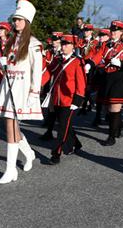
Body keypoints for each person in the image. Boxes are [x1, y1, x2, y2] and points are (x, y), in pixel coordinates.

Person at [0, 0, 43, 184]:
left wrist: (34, 92)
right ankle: (28, 154)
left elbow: (36, 70)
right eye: (14, 20)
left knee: (12, 125)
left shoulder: (33, 44)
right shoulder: (12, 41)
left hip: (22, 88)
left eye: (19, 20)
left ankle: (10, 169)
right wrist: (3, 62)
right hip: (8, 86)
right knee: (10, 126)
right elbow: (10, 63)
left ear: (27, 22)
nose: (15, 23)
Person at [45, 35, 86, 164]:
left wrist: (78, 100)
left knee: (62, 127)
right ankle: (77, 144)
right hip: (57, 98)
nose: (63, 46)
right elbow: (47, 72)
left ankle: (56, 153)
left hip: (69, 100)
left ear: (73, 47)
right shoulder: (57, 60)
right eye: (62, 44)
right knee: (66, 125)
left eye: (66, 44)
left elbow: (81, 82)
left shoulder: (77, 61)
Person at [98, 20, 123, 146]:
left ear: (121, 32)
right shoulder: (106, 44)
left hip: (120, 78)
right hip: (107, 76)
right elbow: (98, 56)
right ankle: (120, 125)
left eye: (116, 30)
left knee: (114, 107)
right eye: (112, 30)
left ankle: (111, 137)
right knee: (108, 109)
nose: (113, 32)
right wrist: (89, 63)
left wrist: (121, 64)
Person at [40, 32, 64, 141]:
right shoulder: (50, 52)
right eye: (53, 40)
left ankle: (64, 134)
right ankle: (49, 131)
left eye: (56, 40)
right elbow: (44, 66)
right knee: (51, 108)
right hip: (51, 82)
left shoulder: (64, 52)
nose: (53, 42)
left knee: (60, 111)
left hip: (61, 83)